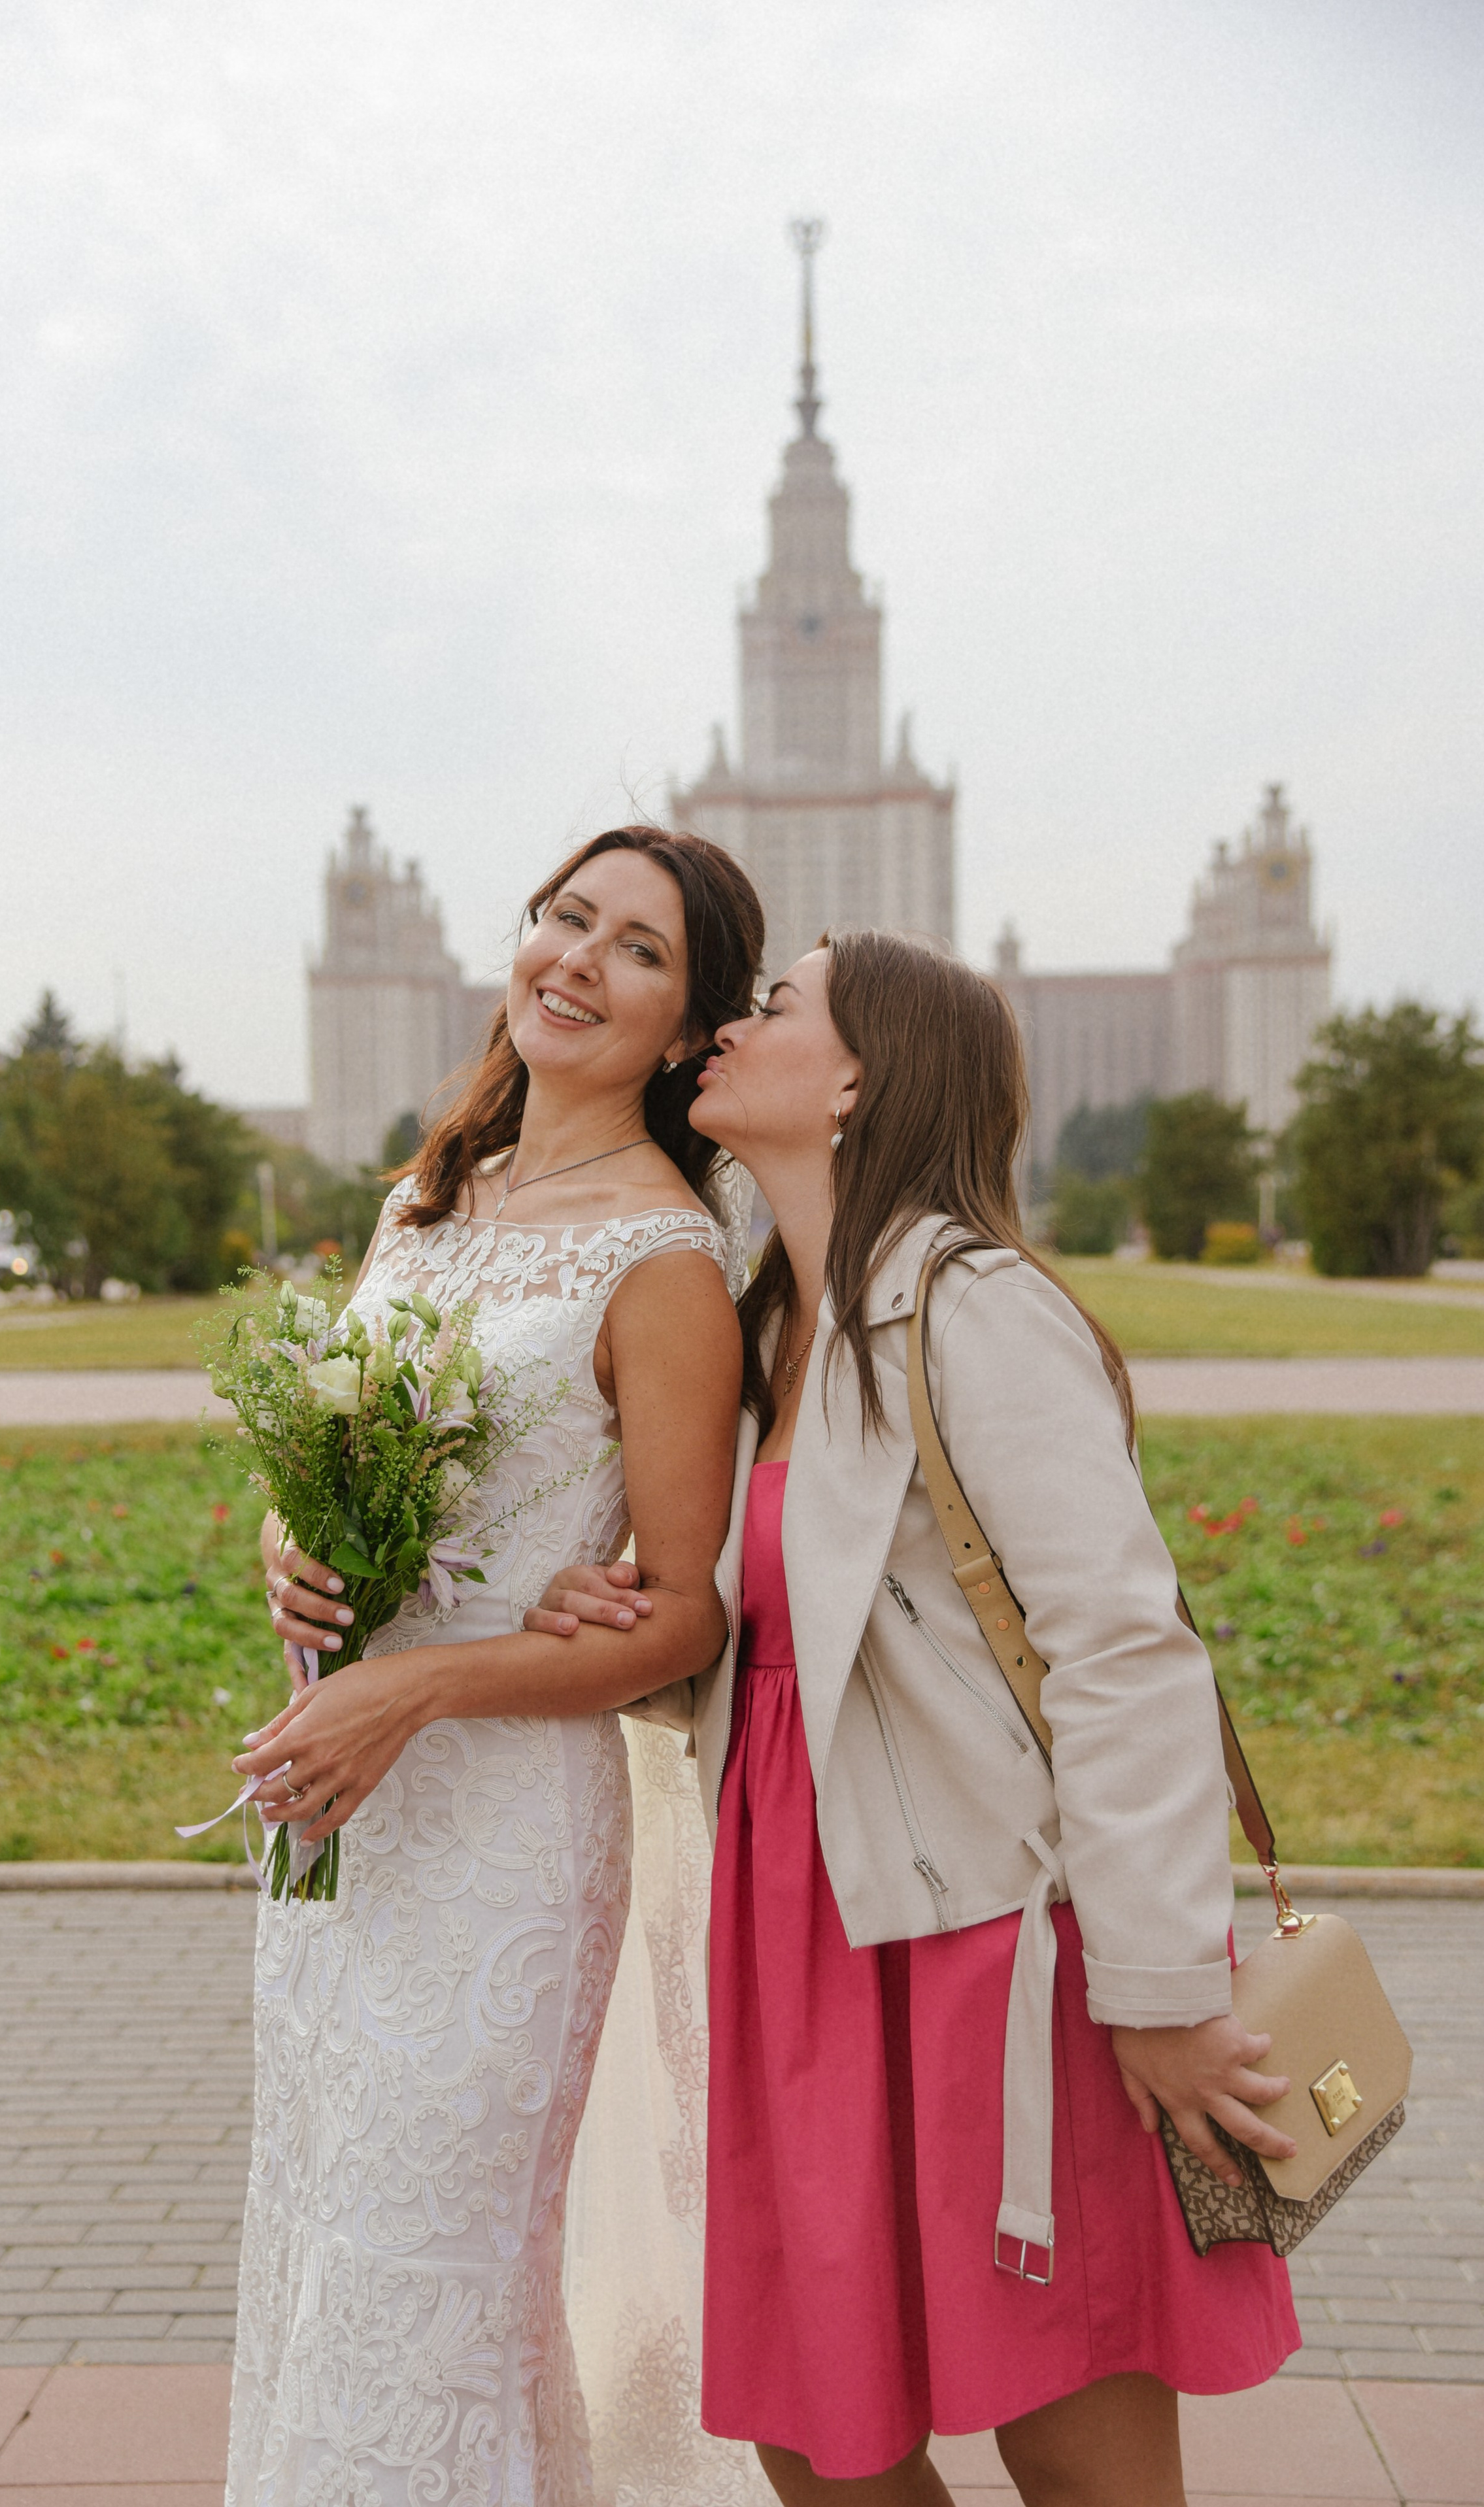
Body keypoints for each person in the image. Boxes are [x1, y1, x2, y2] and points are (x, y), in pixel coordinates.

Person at [534, 930, 1302, 2507]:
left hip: (989, 1943)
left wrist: (1158, 1985)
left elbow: (1123, 1651)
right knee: (811, 2432)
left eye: (774, 1007)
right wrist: (629, 1618)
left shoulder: (972, 1305)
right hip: (796, 1934)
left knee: (1062, 2428)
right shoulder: (762, 1336)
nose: (728, 1027)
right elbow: (790, 1632)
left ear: (860, 1077)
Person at [223, 826, 764, 2507]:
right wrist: (285, 1547)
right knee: (328, 2252)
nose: (579, 961)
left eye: (638, 949)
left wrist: (425, 1684)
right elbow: (330, 1458)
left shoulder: (666, 1261)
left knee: (434, 2280)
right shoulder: (424, 1194)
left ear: (687, 1028)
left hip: (503, 1851)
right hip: (340, 1820)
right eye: (564, 918)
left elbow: (683, 1613)